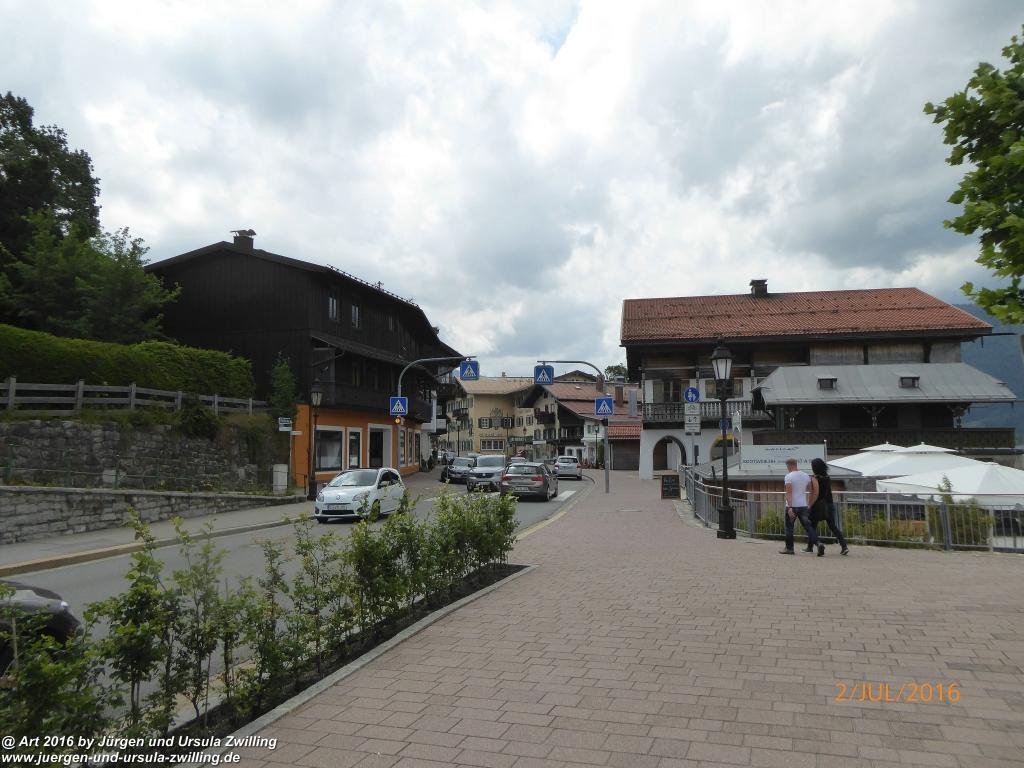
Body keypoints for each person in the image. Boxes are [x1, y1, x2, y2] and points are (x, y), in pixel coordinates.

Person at [780, 457, 824, 556]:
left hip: (792, 506)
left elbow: (789, 492)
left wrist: (790, 507)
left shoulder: (788, 476)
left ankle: (789, 548)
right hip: (803, 505)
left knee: (789, 527)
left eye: (787, 466)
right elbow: (811, 489)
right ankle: (818, 543)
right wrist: (810, 503)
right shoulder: (805, 476)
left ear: (789, 465)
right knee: (808, 527)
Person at [808, 458, 850, 555]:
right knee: (833, 526)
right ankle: (844, 546)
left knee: (812, 526)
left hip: (818, 504)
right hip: (829, 504)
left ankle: (810, 547)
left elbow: (815, 493)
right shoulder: (827, 477)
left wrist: (809, 504)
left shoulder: (815, 479)